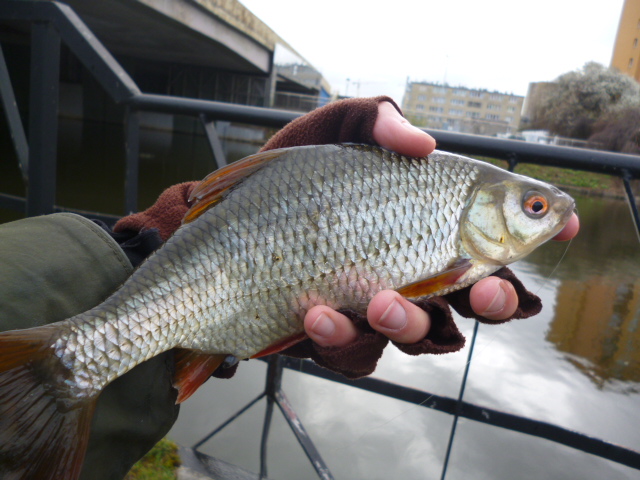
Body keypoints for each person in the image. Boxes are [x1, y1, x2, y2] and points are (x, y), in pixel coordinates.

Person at [0, 96, 579, 479]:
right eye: (534, 207)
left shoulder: (460, 238)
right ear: (484, 207)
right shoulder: (457, 245)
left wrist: (153, 248)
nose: (549, 216)